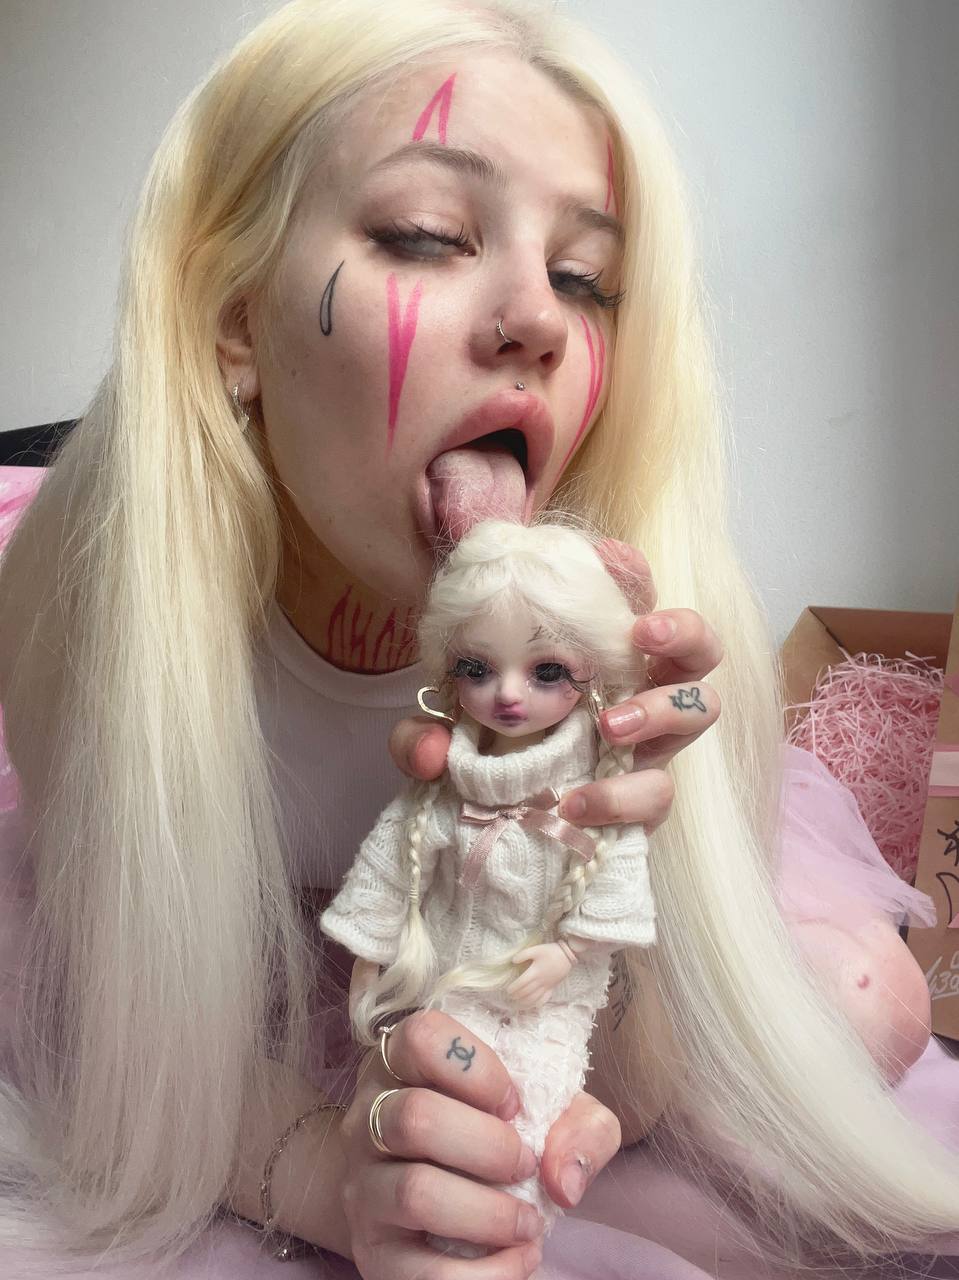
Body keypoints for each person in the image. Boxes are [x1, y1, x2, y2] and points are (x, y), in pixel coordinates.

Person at [0, 2, 954, 1278]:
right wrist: (331, 1180)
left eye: (583, 277)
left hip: (514, 914)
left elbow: (626, 969)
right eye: (427, 235)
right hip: (314, 920)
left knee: (866, 996)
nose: (537, 318)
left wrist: (616, 1021)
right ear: (236, 318)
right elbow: (119, 1011)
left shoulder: (628, 616)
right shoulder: (84, 605)